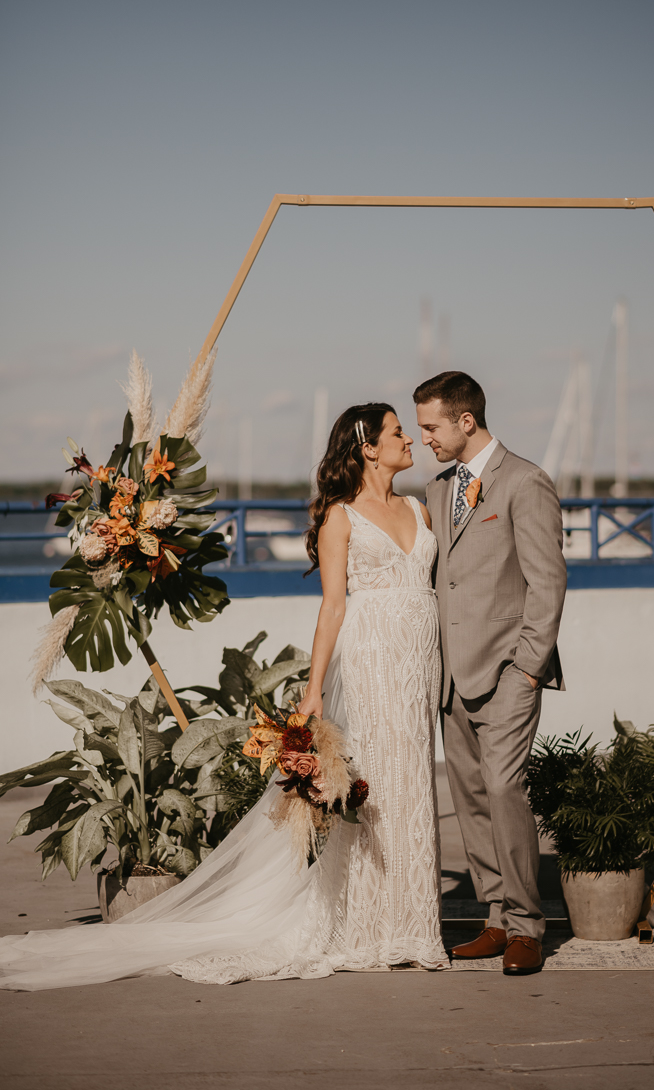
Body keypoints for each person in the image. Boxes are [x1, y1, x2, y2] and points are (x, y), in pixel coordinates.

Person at [0, 404, 448, 990]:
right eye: (397, 432)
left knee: (413, 780)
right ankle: (368, 925)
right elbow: (333, 606)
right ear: (367, 447)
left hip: (419, 667)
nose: (408, 440)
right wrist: (313, 689)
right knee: (372, 785)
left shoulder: (418, 507)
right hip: (370, 665)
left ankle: (414, 924)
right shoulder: (341, 517)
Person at [415, 371, 567, 975]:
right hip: (451, 677)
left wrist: (528, 669)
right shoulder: (435, 490)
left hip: (508, 671)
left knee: (505, 790)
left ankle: (530, 926)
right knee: (472, 797)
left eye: (431, 426)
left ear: (466, 421)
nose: (424, 437)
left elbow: (547, 581)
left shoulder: (526, 482)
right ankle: (497, 919)